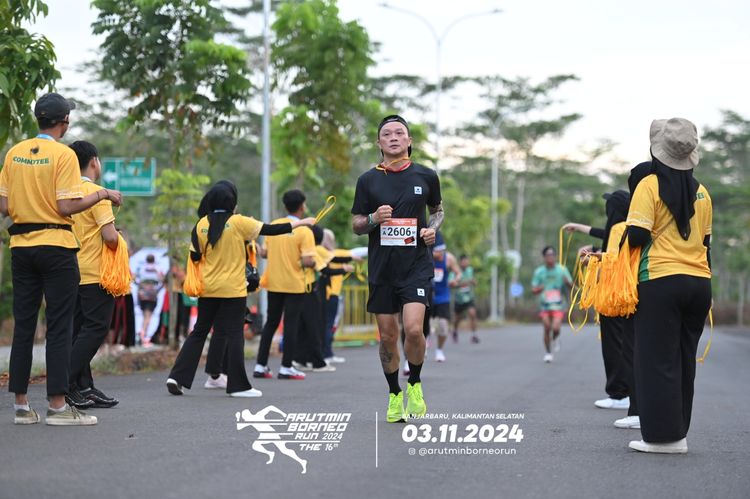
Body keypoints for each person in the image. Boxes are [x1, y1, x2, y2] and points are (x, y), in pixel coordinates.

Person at [0, 92, 122, 425]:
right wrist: (102, 194)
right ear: (64, 122)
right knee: (59, 326)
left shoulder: (14, 153)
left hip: (21, 246)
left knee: (24, 326)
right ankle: (57, 407)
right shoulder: (64, 155)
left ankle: (21, 406)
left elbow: (5, 206)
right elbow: (66, 205)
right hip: (56, 247)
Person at [166, 181, 315, 397]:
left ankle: (176, 377)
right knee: (235, 334)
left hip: (208, 288)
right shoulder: (238, 222)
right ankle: (238, 386)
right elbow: (270, 229)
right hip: (233, 289)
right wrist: (301, 223)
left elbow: (196, 256)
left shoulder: (201, 224)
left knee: (199, 331)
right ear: (232, 203)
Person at [626, 118, 712, 454]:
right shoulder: (703, 192)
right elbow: (706, 243)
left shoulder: (649, 186)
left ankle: (664, 439)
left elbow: (636, 236)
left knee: (656, 361)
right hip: (699, 283)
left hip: (661, 281)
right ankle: (678, 433)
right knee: (684, 360)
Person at [351, 114, 443, 423]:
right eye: (387, 134)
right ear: (379, 143)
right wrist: (373, 218)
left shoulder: (426, 176)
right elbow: (356, 224)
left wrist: (432, 230)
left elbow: (438, 211)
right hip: (382, 268)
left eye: (399, 133)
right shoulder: (367, 180)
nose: (393, 137)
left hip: (415, 265)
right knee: (388, 336)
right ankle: (394, 394)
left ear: (409, 140)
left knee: (414, 329)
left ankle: (414, 383)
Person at [564, 191, 632, 410]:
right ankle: (625, 393)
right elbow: (611, 246)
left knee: (614, 346)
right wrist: (582, 231)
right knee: (623, 345)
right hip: (624, 297)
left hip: (613, 297)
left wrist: (592, 259)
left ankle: (619, 394)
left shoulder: (618, 229)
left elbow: (613, 261)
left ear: (613, 209)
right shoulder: (628, 228)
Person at [66, 140, 121, 409]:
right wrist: (120, 240)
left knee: (78, 331)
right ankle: (63, 383)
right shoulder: (98, 194)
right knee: (96, 328)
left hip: (69, 270)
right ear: (94, 162)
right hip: (94, 272)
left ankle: (84, 386)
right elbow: (110, 237)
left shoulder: (65, 193)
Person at [253, 189, 318, 380]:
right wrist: (315, 262)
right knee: (291, 325)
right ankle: (286, 366)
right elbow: (308, 260)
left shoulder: (274, 225)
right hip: (294, 284)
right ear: (302, 207)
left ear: (285, 206)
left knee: (271, 323)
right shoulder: (304, 230)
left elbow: (264, 253)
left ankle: (260, 365)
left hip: (273, 282)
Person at [531, 246, 573, 363]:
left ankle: (555, 337)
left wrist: (567, 282)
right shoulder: (539, 271)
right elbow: (533, 289)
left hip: (558, 305)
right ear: (544, 257)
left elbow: (571, 286)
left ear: (555, 256)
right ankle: (548, 353)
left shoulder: (562, 270)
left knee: (555, 328)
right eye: (548, 255)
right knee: (546, 328)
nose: (550, 257)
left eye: (552, 255)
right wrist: (539, 289)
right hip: (544, 305)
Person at [430, 232, 461, 362]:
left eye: (442, 250)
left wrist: (455, 280)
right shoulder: (424, 257)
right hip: (427, 295)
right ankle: (422, 348)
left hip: (442, 296)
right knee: (423, 327)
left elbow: (458, 273)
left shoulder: (449, 258)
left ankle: (439, 350)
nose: (440, 254)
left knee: (443, 326)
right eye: (438, 251)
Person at [135, 253, 164, 346]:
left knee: (145, 315)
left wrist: (142, 288)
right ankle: (143, 335)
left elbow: (135, 279)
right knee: (148, 316)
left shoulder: (141, 268)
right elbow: (163, 281)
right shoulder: (157, 269)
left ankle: (142, 335)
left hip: (142, 296)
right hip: (152, 296)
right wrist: (156, 291)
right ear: (154, 260)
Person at [452, 254, 479, 344]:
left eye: (467, 261)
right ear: (460, 262)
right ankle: (455, 330)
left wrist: (474, 282)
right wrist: (464, 283)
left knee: (472, 314)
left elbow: (474, 281)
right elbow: (452, 284)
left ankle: (474, 335)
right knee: (458, 318)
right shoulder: (455, 271)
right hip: (459, 299)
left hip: (469, 297)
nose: (466, 263)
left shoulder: (470, 270)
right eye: (464, 261)